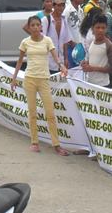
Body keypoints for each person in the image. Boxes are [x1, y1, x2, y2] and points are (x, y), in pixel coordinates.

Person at [9, 15, 70, 155]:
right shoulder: (25, 42)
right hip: (29, 79)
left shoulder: (47, 41)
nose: (36, 27)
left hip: (44, 79)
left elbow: (55, 56)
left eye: (38, 25)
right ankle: (34, 142)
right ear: (29, 28)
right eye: (33, 25)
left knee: (50, 113)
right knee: (32, 113)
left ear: (41, 27)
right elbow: (19, 61)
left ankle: (56, 144)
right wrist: (13, 79)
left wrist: (61, 66)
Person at [80, 13, 112, 87]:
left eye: (103, 28)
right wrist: (85, 63)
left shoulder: (109, 46)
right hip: (90, 83)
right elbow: (92, 60)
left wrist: (93, 68)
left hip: (102, 85)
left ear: (106, 29)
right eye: (97, 27)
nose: (100, 30)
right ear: (92, 29)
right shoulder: (92, 42)